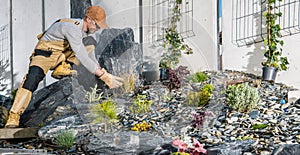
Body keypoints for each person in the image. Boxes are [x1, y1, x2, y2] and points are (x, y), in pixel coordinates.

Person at [5, 6, 124, 128]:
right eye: (97, 25)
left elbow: (90, 55)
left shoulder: (87, 35)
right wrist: (102, 76)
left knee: (89, 43)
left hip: (62, 55)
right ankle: (14, 117)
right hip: (45, 54)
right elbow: (82, 56)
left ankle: (62, 67)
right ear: (88, 19)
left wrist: (102, 71)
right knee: (32, 79)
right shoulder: (71, 28)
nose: (97, 29)